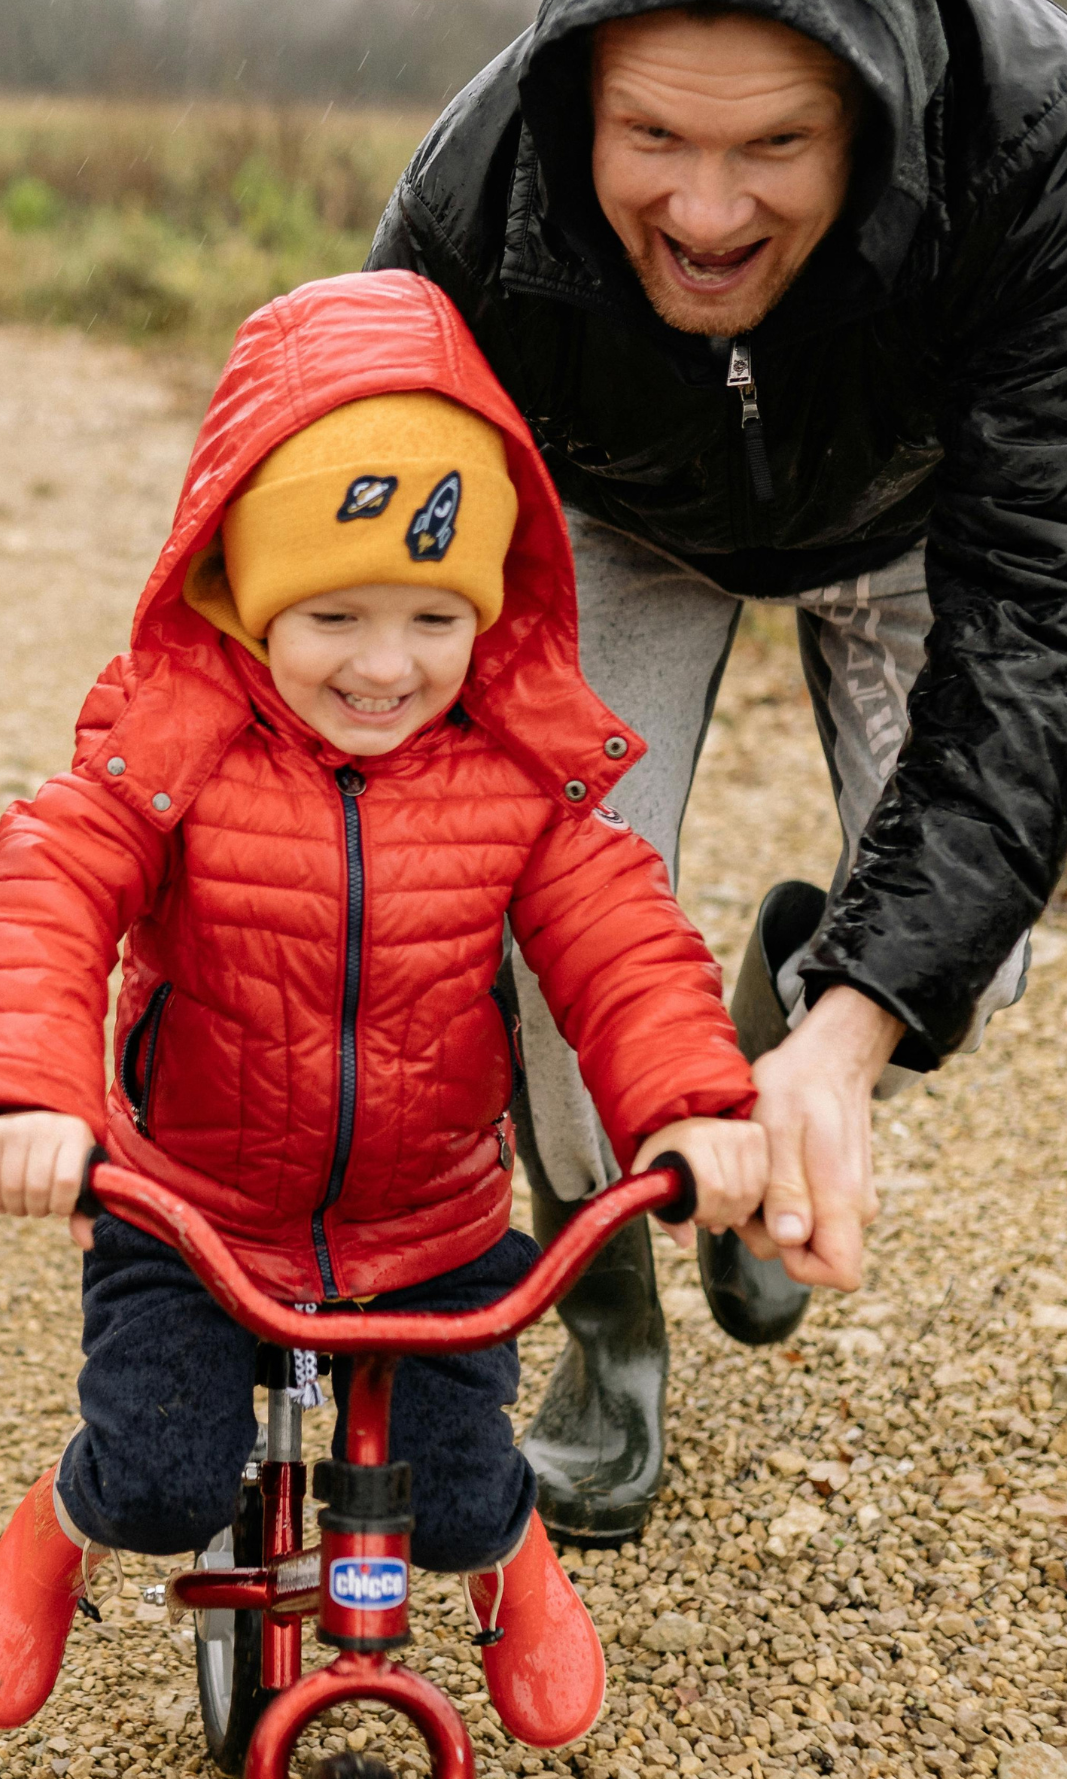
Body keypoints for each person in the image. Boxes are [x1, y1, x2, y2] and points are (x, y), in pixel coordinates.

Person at [0, 270, 767, 1751]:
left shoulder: (516, 774)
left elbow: (622, 937)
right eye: (332, 613)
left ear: (491, 602)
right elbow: (50, 883)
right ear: (245, 593)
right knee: (160, 1473)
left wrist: (693, 1103)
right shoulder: (173, 742)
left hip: (429, 1224)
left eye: (434, 616)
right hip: (190, 1204)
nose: (386, 667)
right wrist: (30, 1096)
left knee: (455, 1494)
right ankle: (64, 1526)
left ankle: (511, 1557)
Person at [365, 0, 1067, 1541]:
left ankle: (772, 1050)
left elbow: (1035, 631)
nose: (704, 211)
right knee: (553, 934)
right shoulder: (470, 202)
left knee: (979, 948)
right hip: (620, 514)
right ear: (579, 104)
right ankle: (608, 1321)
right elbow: (341, 536)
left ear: (873, 111)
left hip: (912, 519)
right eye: (655, 140)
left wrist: (846, 1029)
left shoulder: (1035, 138)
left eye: (776, 146)